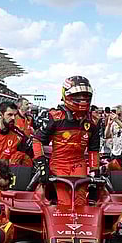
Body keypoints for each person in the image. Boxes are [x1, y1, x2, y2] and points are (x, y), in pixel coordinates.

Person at [32, 76, 100, 206]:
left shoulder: (93, 121)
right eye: (78, 95)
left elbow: (94, 149)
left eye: (85, 95)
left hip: (79, 164)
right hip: (59, 165)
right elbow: (37, 140)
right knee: (65, 203)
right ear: (66, 95)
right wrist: (42, 166)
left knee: (80, 203)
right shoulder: (55, 117)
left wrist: (94, 169)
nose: (82, 99)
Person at [12, 97, 35, 166]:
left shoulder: (29, 118)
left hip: (27, 148)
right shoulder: (13, 117)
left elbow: (34, 130)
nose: (28, 106)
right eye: (26, 104)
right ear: (20, 106)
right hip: (15, 148)